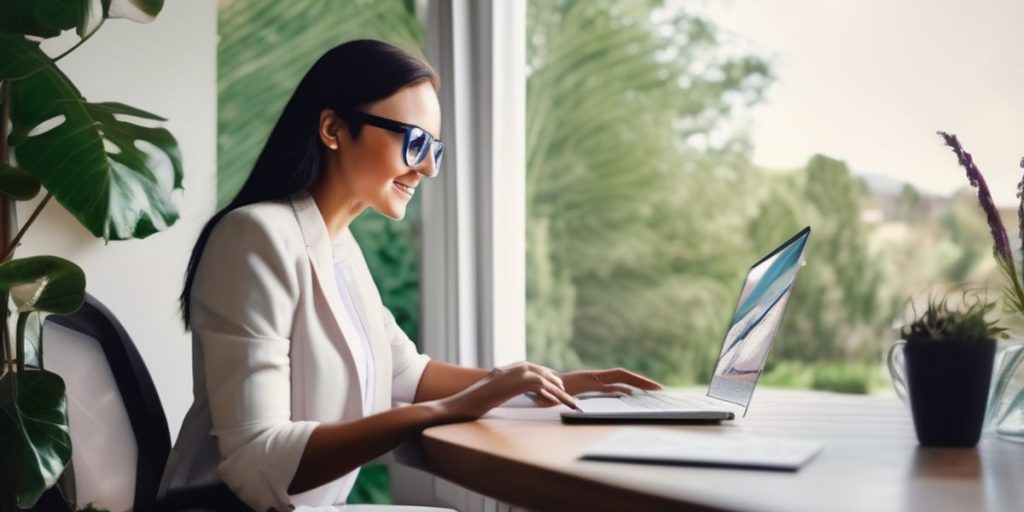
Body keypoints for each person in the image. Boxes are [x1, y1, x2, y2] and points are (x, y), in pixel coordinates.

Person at [158, 39, 661, 511]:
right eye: (415, 142)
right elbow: (256, 461)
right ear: (333, 129)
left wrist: (548, 385)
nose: (428, 170)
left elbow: (406, 374)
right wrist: (451, 410)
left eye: (435, 150)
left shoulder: (337, 245)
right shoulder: (255, 236)